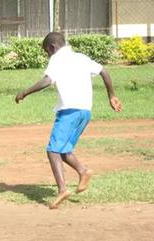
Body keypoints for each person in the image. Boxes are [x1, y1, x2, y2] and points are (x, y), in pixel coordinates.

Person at [15, 32, 122, 209]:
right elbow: (104, 71)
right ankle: (84, 171)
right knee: (63, 150)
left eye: (47, 52)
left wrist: (24, 93)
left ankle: (62, 189)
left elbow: (47, 81)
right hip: (85, 112)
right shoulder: (81, 57)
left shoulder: (57, 59)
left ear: (52, 47)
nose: (48, 55)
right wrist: (112, 96)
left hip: (69, 111)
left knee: (52, 150)